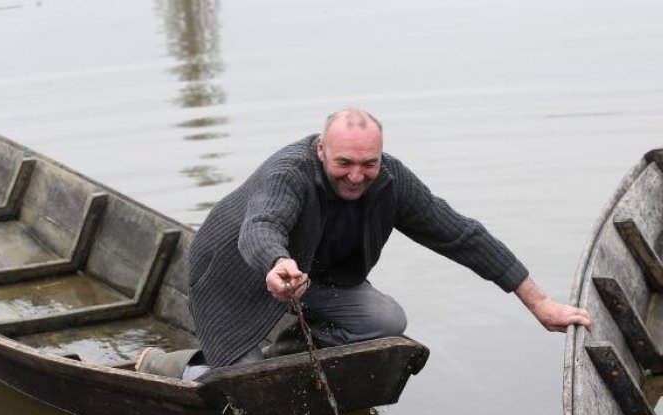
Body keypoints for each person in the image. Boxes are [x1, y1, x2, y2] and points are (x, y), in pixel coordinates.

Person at [136, 109, 593, 378]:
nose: (357, 176)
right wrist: (276, 264)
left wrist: (540, 303)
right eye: (344, 163)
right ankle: (162, 363)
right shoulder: (289, 173)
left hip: (310, 276)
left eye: (367, 163)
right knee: (242, 384)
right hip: (235, 272)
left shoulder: (389, 179)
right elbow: (261, 225)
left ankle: (286, 350)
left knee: (386, 319)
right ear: (320, 151)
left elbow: (461, 234)